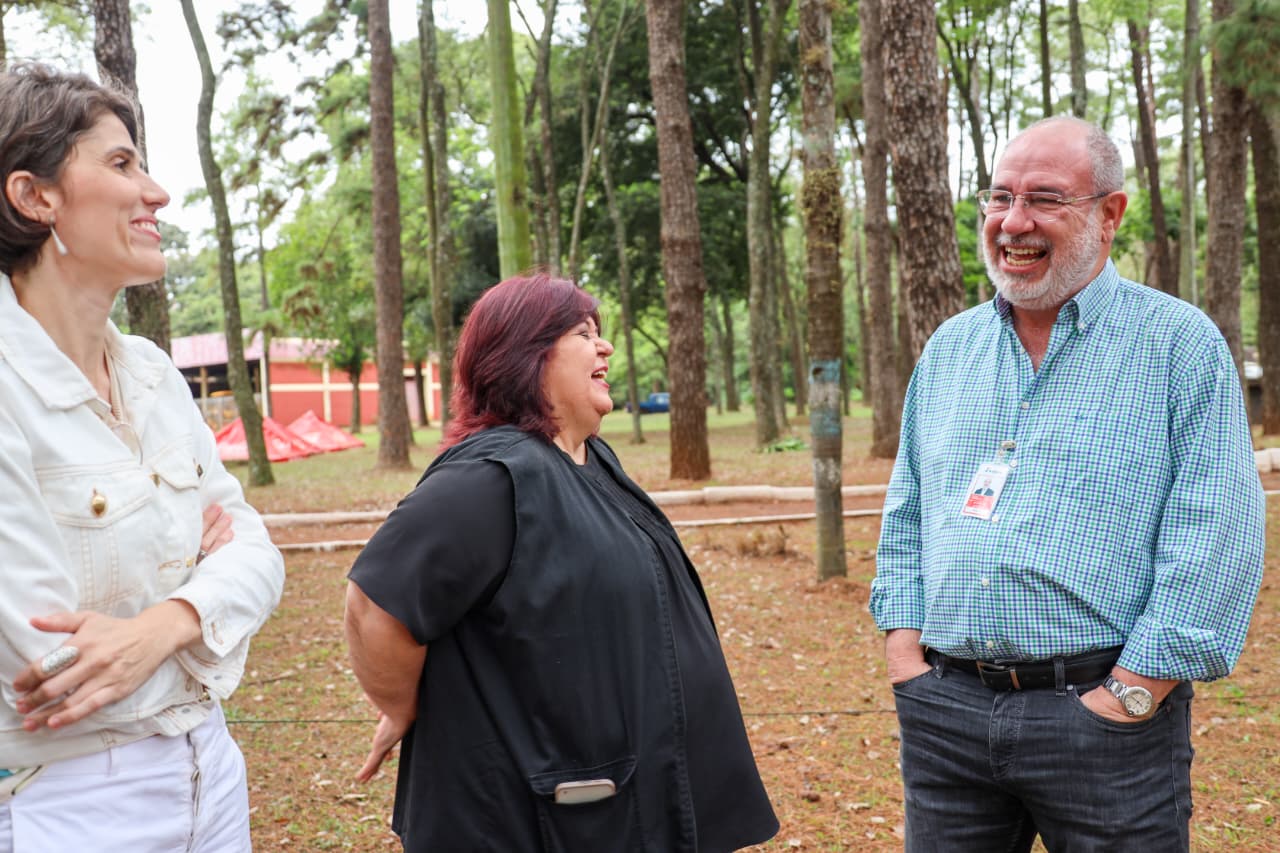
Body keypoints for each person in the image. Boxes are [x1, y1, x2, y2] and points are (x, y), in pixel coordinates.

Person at [869, 115, 1265, 852]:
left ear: (1109, 214)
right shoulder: (951, 350)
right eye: (998, 198)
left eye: (1044, 199)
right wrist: (907, 659)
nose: (1013, 222)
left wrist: (1129, 694)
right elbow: (909, 510)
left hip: (1106, 723)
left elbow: (1216, 535)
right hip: (947, 718)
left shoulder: (1178, 347)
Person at [344, 274, 778, 852]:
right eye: (583, 333)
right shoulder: (491, 476)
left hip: (623, 802)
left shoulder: (589, 457)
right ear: (527, 355)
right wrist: (402, 706)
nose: (606, 348)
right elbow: (375, 604)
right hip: (537, 820)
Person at [0, 65, 284, 850]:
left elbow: (261, 554)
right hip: (72, 801)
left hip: (212, 774)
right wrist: (210, 587)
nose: (155, 192)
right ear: (36, 196)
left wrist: (164, 624)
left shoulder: (157, 377)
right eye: (122, 164)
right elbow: (56, 666)